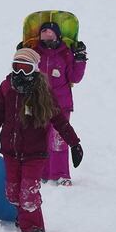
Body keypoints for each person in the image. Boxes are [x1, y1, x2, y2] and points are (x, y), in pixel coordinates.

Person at [0, 48, 84, 232]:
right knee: (13, 192)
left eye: (25, 68)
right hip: (11, 151)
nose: (20, 73)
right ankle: (23, 220)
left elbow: (59, 119)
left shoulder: (43, 91)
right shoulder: (6, 87)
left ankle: (33, 229)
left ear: (34, 69)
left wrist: (74, 143)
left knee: (28, 194)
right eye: (16, 68)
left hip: (35, 153)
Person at [28, 22, 87, 186]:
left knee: (59, 140)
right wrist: (21, 53)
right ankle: (41, 173)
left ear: (58, 35)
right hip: (38, 103)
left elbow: (75, 77)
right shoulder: (36, 52)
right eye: (43, 33)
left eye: (50, 33)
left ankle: (61, 174)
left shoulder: (65, 53)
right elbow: (24, 70)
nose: (46, 36)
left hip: (61, 104)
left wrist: (80, 59)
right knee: (39, 139)